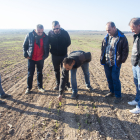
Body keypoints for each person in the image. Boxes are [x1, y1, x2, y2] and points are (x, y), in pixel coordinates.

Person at [100, 22, 129, 104]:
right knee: (109, 78)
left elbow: (125, 50)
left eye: (109, 30)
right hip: (107, 61)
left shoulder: (122, 37)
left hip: (115, 63)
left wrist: (120, 61)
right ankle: (112, 92)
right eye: (106, 30)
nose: (107, 32)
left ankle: (118, 96)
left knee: (115, 79)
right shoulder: (106, 37)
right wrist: (102, 58)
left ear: (114, 28)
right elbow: (103, 48)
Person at [23, 24, 49, 94]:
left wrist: (45, 56)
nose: (40, 33)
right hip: (31, 58)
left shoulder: (45, 37)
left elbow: (47, 47)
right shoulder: (30, 35)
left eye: (41, 32)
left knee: (40, 73)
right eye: (38, 32)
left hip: (40, 58)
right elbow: (24, 46)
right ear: (35, 30)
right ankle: (29, 88)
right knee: (30, 73)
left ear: (43, 30)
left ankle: (40, 87)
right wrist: (25, 54)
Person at [48, 21, 71, 90]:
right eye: (54, 29)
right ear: (52, 28)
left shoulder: (65, 33)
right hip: (54, 55)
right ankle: (58, 84)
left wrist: (62, 48)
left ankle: (66, 84)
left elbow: (68, 42)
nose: (56, 30)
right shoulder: (50, 33)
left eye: (57, 28)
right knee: (56, 70)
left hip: (63, 55)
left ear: (59, 26)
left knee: (65, 69)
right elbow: (48, 42)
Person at [128, 18, 140, 114]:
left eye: (133, 28)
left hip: (139, 65)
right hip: (135, 64)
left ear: (139, 26)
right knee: (137, 84)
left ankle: (139, 106)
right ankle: (137, 99)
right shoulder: (136, 36)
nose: (132, 30)